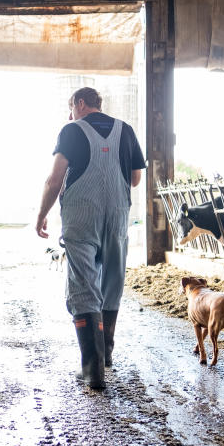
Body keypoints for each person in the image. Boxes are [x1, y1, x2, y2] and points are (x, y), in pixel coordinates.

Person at [36, 87, 145, 390]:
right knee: (111, 284)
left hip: (82, 217)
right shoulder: (126, 130)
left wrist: (41, 214)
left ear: (80, 104)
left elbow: (54, 179)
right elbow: (134, 178)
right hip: (116, 217)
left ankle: (93, 370)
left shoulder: (71, 130)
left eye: (70, 107)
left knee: (84, 285)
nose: (69, 114)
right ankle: (106, 356)